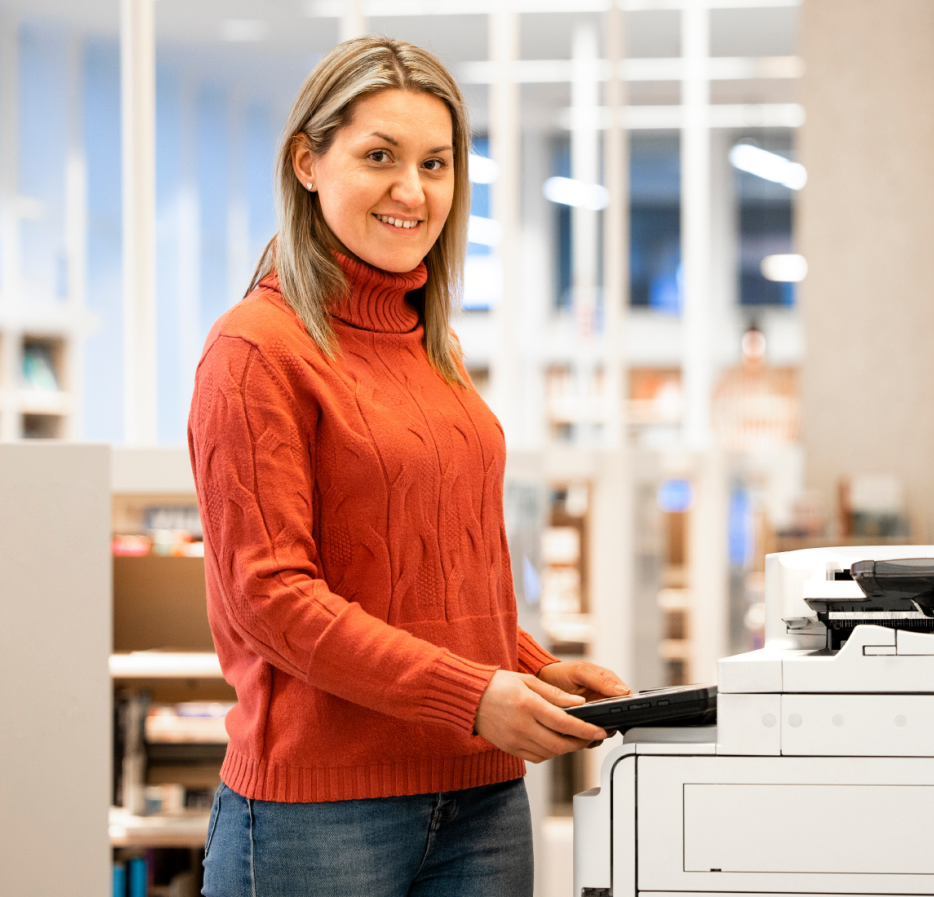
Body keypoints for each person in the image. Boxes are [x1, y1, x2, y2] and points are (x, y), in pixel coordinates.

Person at [188, 36, 629, 896]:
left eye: (437, 163)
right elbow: (272, 597)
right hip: (322, 816)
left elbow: (429, 577)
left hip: (482, 797)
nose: (412, 190)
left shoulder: (433, 342)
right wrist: (472, 693)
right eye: (379, 157)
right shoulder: (255, 349)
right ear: (307, 163)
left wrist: (529, 667)